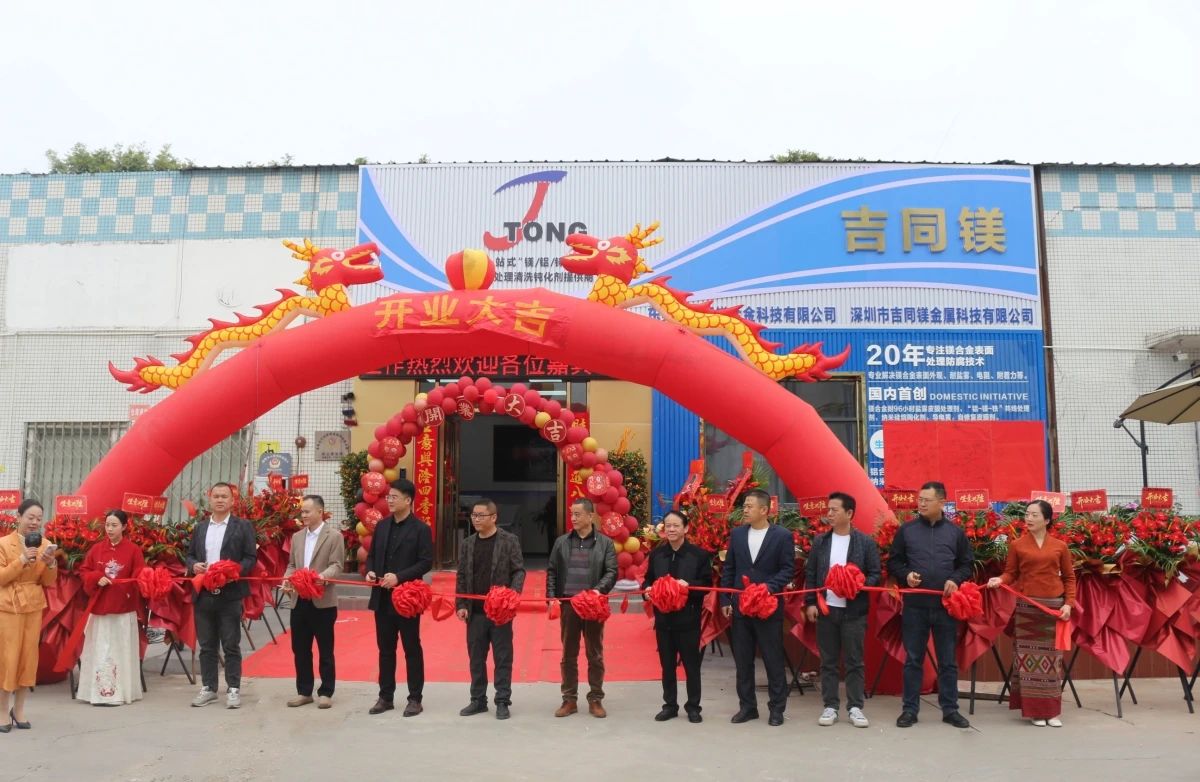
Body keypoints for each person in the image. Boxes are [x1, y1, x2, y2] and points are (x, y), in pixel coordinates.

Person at [889, 481, 973, 729]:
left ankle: (950, 710)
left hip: (945, 607)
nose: (922, 504)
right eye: (920, 499)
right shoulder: (907, 531)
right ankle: (909, 710)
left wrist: (955, 579)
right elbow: (894, 562)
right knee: (913, 659)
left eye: (927, 500)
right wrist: (906, 576)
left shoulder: (955, 533)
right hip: (915, 606)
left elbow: (966, 564)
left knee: (947, 661)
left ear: (942, 502)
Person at [987, 499, 1075, 727]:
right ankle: (1035, 712)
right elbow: (1010, 573)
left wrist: (1068, 604)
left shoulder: (1060, 546)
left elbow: (1069, 577)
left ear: (1047, 519)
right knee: (1028, 662)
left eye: (1035, 515)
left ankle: (1052, 712)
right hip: (1027, 609)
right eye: (1027, 514)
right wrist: (999, 580)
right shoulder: (1017, 545)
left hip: (1052, 609)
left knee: (1053, 662)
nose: (1029, 518)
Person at [804, 492, 881, 728]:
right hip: (826, 610)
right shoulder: (821, 542)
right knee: (828, 661)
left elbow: (876, 574)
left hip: (854, 612)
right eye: (828, 509)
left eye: (834, 510)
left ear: (849, 513)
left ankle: (855, 707)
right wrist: (810, 602)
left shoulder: (865, 542)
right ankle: (830, 706)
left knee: (854, 661)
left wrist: (858, 582)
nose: (829, 513)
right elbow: (811, 573)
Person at [719, 488, 794, 726]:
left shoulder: (782, 536)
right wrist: (725, 599)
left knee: (773, 659)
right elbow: (729, 568)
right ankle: (747, 707)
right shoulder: (738, 534)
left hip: (767, 607)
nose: (745, 510)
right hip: (741, 607)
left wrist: (767, 588)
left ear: (764, 510)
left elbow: (787, 570)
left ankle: (777, 709)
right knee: (743, 661)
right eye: (745, 506)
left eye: (750, 506)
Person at [184, 482, 258, 709]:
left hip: (230, 593)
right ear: (210, 499)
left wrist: (233, 572)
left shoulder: (242, 526)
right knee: (207, 645)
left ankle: (233, 688)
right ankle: (209, 688)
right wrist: (194, 565)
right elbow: (189, 555)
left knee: (231, 644)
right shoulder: (200, 527)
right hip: (204, 593)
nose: (219, 500)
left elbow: (250, 558)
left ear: (232, 500)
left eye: (224, 496)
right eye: (216, 496)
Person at [366, 478, 433, 717]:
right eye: (388, 497)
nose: (390, 501)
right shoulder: (382, 526)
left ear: (408, 500)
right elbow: (372, 555)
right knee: (385, 649)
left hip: (407, 599)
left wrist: (399, 577)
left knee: (411, 648)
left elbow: (425, 562)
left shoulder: (421, 529)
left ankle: (415, 698)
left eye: (394, 497)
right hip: (382, 598)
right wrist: (370, 571)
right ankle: (386, 697)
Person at [546, 497, 617, 718]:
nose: (573, 518)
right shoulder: (562, 542)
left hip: (593, 605)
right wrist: (552, 597)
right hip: (569, 605)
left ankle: (595, 699)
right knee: (568, 654)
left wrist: (598, 590)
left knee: (595, 654)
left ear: (590, 516)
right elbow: (552, 572)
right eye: (572, 514)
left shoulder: (605, 543)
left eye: (577, 514)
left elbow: (611, 572)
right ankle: (569, 699)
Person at [454, 498, 525, 720]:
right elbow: (462, 575)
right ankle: (478, 700)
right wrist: (461, 604)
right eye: (473, 515)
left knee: (503, 657)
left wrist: (511, 596)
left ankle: (502, 700)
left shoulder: (509, 541)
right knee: (476, 658)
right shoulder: (468, 544)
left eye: (480, 515)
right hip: (475, 612)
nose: (475, 519)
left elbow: (519, 571)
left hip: (500, 612)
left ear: (494, 517)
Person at [641, 508, 711, 723]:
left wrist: (688, 585)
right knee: (667, 665)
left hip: (688, 619)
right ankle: (670, 705)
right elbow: (648, 579)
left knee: (691, 666)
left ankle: (693, 707)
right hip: (664, 620)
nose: (671, 529)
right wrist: (646, 591)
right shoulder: (657, 554)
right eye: (668, 525)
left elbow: (707, 584)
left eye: (676, 526)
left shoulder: (698, 555)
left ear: (686, 529)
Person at [77, 509, 146, 706]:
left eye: (114, 525)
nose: (110, 529)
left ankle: (121, 692)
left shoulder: (133, 550)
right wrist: (96, 577)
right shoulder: (96, 549)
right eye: (107, 525)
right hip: (100, 608)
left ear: (124, 527)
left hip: (123, 609)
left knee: (120, 648)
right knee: (100, 648)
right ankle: (96, 692)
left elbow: (139, 575)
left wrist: (130, 584)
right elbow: (84, 571)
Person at [282, 495, 344, 709]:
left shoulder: (334, 536)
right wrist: (287, 579)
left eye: (307, 511)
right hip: (299, 600)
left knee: (325, 649)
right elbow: (292, 564)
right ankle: (304, 691)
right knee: (300, 649)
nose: (304, 515)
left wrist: (322, 577)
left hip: (322, 600)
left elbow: (337, 565)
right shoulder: (297, 537)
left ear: (320, 511)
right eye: (302, 512)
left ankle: (326, 692)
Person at [0, 499, 57, 731]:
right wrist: (22, 559)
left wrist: (51, 565)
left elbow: (48, 581)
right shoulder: (4, 544)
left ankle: (19, 708)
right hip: (9, 606)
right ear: (19, 517)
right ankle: (2, 710)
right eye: (30, 517)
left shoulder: (46, 545)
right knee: (8, 657)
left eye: (38, 518)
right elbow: (1, 578)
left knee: (28, 657)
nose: (34, 522)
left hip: (33, 606)